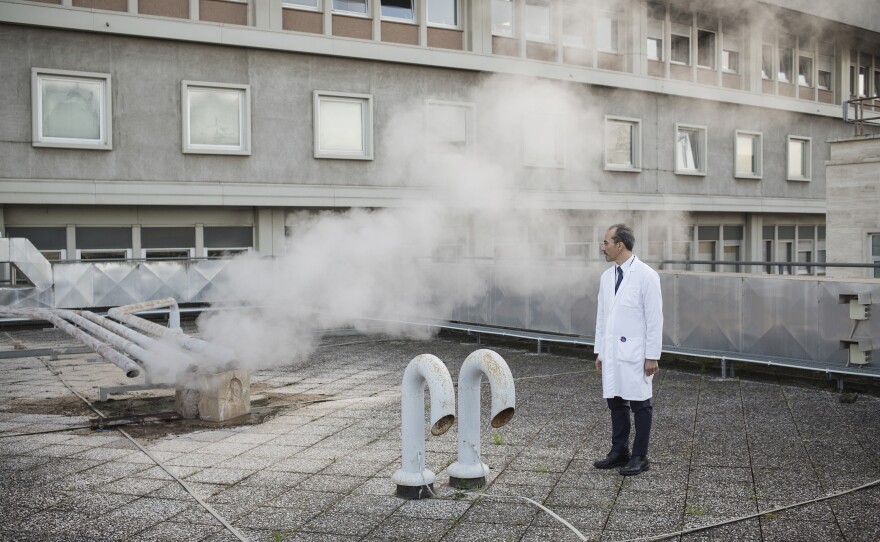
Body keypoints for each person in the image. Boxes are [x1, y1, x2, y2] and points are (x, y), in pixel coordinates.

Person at [592, 223, 663, 476]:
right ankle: (618, 451)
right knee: (615, 401)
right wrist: (599, 352)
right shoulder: (606, 277)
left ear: (619, 245)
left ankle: (640, 456)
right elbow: (603, 317)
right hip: (612, 352)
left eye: (606, 243)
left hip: (636, 353)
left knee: (641, 404)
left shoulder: (646, 275)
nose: (603, 247)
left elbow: (655, 319)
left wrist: (652, 355)